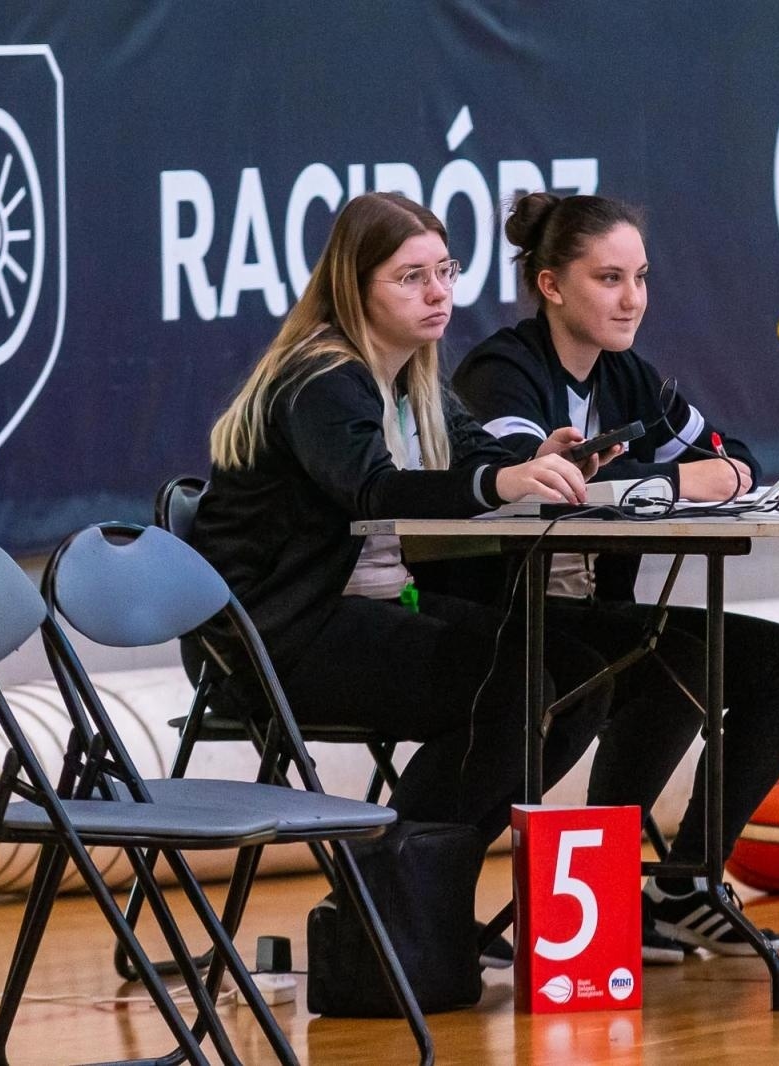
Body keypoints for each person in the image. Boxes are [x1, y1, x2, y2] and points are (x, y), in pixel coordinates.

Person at [187, 192, 612, 890]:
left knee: (580, 677)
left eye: (445, 270)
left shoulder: (413, 373)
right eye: (411, 277)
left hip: (368, 611)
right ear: (354, 288)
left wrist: (541, 459)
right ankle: (385, 898)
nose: (438, 292)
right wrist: (505, 485)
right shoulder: (321, 376)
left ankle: (436, 894)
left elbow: (477, 459)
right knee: (513, 687)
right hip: (276, 638)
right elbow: (375, 493)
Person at [452, 192, 779, 961]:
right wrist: (681, 480)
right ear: (552, 286)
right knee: (673, 653)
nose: (633, 300)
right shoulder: (502, 369)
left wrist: (709, 470)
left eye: (642, 278)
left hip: (601, 617)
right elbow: (540, 478)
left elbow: (736, 456)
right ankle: (602, 884)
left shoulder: (631, 378)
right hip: (501, 616)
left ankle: (684, 882)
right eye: (609, 279)